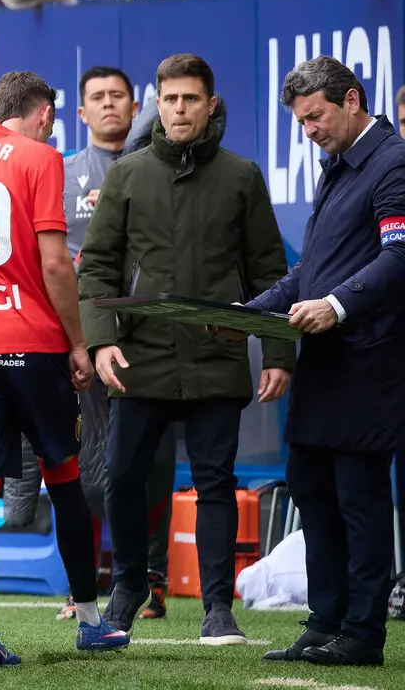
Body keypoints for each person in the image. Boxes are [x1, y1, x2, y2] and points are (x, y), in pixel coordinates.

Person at [77, 53, 295, 644]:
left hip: (216, 356)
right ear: (157, 103)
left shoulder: (242, 175)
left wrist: (279, 354)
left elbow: (269, 272)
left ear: (210, 104)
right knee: (122, 478)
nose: (179, 109)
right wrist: (100, 343)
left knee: (214, 483)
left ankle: (217, 608)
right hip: (138, 356)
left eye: (190, 99)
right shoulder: (127, 173)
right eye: (170, 99)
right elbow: (97, 268)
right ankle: (128, 587)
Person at [0, 70, 130, 668]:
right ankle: (89, 621)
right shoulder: (41, 158)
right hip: (30, 347)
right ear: (43, 113)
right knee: (64, 479)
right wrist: (77, 343)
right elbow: (56, 265)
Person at [243, 55, 405, 667]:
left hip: (370, 363)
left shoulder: (392, 162)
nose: (309, 131)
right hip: (324, 366)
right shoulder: (335, 166)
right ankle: (324, 623)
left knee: (359, 501)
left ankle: (362, 634)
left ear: (352, 100)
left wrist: (336, 306)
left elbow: (399, 257)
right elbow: (309, 273)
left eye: (316, 117)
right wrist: (247, 313)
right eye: (301, 122)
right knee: (311, 488)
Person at [62, 65, 176, 623]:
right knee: (85, 461)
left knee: (152, 459)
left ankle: (152, 580)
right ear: (81, 112)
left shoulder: (163, 165)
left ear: (136, 108)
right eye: (97, 97)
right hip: (85, 337)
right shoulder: (62, 175)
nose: (109, 104)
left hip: (150, 336)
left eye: (118, 96)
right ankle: (83, 587)